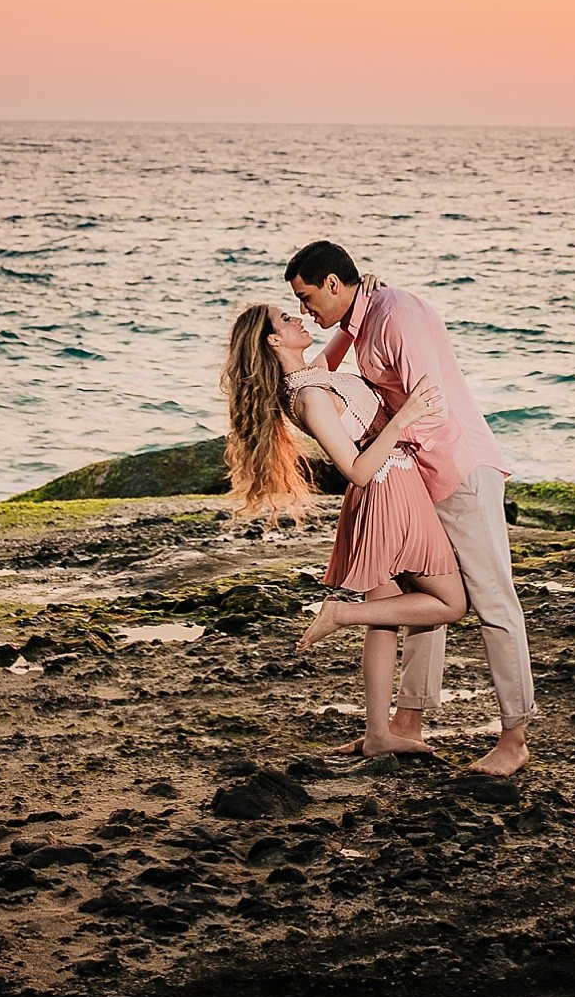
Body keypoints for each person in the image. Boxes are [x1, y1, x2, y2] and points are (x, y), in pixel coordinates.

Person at [285, 240, 535, 777]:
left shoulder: (394, 312)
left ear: (334, 283)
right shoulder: (365, 318)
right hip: (415, 476)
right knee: (422, 599)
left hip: (457, 468)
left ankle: (514, 738)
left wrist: (381, 438)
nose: (306, 311)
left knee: (492, 600)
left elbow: (429, 398)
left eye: (307, 298)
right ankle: (406, 723)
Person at [222, 303, 458, 758]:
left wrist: (363, 299)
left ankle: (378, 734)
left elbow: (347, 335)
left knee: (385, 615)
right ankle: (338, 614)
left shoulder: (312, 374)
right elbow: (355, 470)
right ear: (274, 341)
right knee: (451, 603)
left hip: (391, 488)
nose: (298, 319)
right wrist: (404, 417)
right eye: (286, 320)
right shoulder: (307, 396)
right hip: (388, 489)